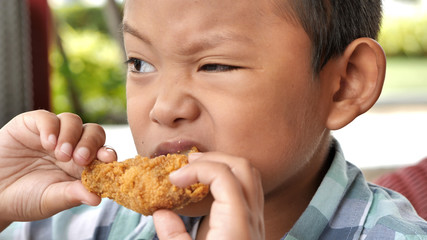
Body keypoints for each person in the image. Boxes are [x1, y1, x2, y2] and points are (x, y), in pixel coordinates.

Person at [1, 0, 427, 239]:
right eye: (140, 62)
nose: (163, 108)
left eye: (216, 66)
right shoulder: (94, 222)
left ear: (345, 84)